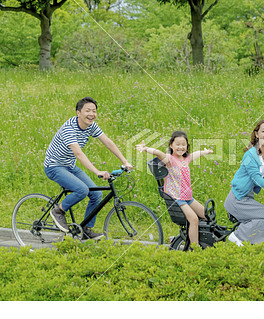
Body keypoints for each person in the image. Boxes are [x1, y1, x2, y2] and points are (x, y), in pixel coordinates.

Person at [44, 97, 133, 240]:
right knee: (82, 190)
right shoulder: (69, 128)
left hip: (69, 166)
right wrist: (97, 171)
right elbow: (78, 153)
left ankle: (86, 230)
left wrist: (124, 161)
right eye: (88, 111)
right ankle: (58, 211)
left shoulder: (91, 126)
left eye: (94, 111)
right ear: (78, 113)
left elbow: (108, 142)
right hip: (54, 166)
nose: (91, 114)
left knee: (96, 194)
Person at [136, 131, 213, 246]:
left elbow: (195, 155)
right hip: (178, 198)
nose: (181, 147)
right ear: (171, 145)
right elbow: (159, 153)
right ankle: (195, 249)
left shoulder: (185, 159)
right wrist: (146, 148)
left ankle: (203, 240)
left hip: (188, 197)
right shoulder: (170, 160)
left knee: (207, 215)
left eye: (184, 144)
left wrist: (205, 152)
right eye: (177, 144)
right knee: (194, 219)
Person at [224, 120, 264, 246]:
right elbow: (257, 179)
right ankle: (238, 235)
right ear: (257, 135)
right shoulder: (249, 155)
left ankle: (259, 246)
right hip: (238, 200)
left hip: (247, 199)